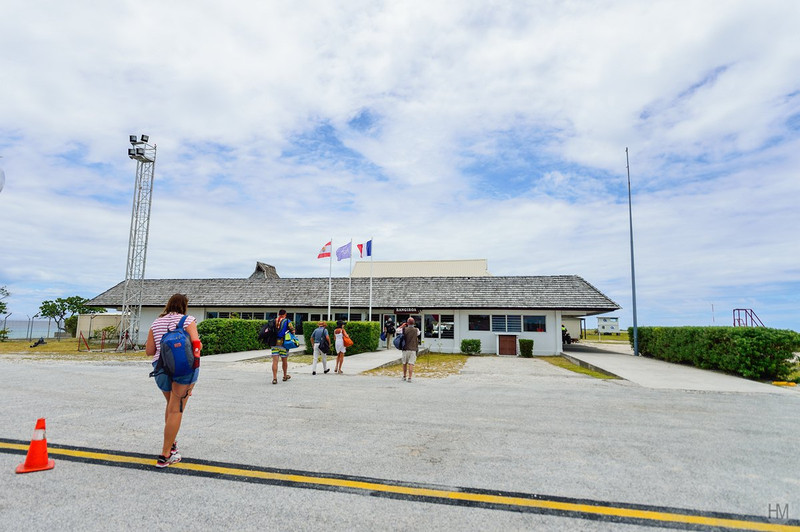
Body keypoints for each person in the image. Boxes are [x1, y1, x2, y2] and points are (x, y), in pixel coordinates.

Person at [145, 293, 201, 468]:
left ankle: (172, 443)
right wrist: (194, 372)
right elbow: (196, 344)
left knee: (171, 406)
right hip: (183, 368)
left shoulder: (156, 322)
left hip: (160, 367)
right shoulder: (187, 320)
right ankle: (165, 454)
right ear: (184, 305)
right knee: (177, 409)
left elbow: (149, 350)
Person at [271, 309, 295, 384]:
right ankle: (284, 375)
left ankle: (274, 378)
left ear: (278, 314)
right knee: (284, 361)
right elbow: (293, 331)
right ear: (285, 314)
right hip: (283, 344)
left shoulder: (274, 321)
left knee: (275, 361)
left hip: (274, 343)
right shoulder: (287, 321)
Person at [400, 317, 420, 382]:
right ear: (414, 323)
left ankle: (404, 376)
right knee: (411, 364)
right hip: (413, 349)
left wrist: (402, 326)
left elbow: (397, 331)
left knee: (404, 363)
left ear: (407, 323)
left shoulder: (404, 329)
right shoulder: (416, 330)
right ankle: (410, 378)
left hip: (405, 349)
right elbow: (418, 334)